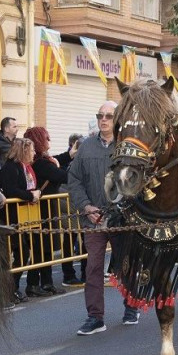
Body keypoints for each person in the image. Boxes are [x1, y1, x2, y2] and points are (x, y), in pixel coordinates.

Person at [67, 101, 139, 335]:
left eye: (109, 116)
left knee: (125, 266)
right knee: (94, 268)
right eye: (100, 115)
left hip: (122, 220)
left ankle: (131, 306)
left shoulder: (128, 146)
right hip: (94, 220)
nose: (104, 119)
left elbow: (139, 179)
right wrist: (86, 207)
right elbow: (74, 180)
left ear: (117, 119)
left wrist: (125, 209)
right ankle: (95, 317)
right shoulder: (86, 147)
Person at [0, 138, 42, 303]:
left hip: (22, 218)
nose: (34, 153)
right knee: (16, 254)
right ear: (24, 151)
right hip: (9, 218)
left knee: (22, 253)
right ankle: (7, 290)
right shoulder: (11, 168)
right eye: (32, 150)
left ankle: (13, 288)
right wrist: (30, 195)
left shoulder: (25, 168)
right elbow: (11, 190)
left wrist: (35, 193)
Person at [22, 127, 68, 297]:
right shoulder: (41, 163)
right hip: (42, 211)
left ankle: (46, 283)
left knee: (46, 248)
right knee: (41, 248)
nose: (49, 141)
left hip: (46, 210)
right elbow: (62, 176)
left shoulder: (43, 161)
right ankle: (34, 284)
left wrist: (67, 156)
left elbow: (58, 165)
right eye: (47, 138)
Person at [54, 133, 85, 286]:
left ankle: (86, 272)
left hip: (80, 204)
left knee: (86, 238)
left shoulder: (81, 160)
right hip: (68, 204)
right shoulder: (66, 162)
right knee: (70, 237)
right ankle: (68, 274)